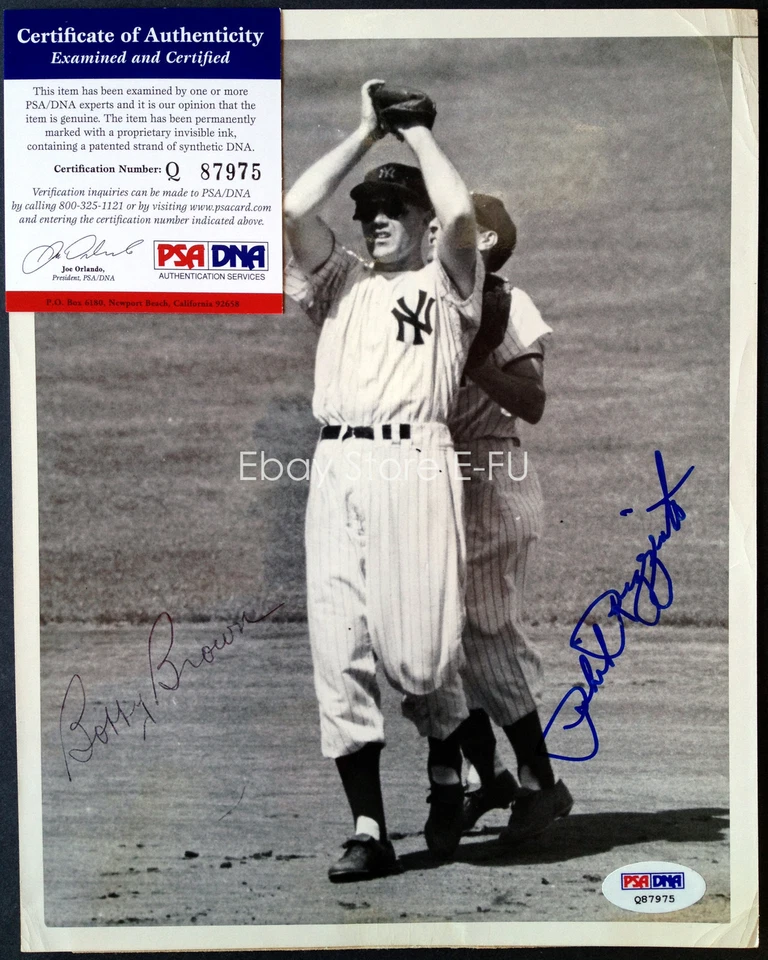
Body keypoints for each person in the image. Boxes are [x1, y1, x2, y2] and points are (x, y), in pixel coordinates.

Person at [283, 80, 485, 881]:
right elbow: (295, 210)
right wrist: (368, 134)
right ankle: (368, 826)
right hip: (337, 468)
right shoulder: (339, 282)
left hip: (416, 465)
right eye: (369, 207)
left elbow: (462, 219)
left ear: (424, 224)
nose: (375, 218)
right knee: (340, 649)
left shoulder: (449, 284)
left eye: (393, 208)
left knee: (422, 656)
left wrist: (422, 138)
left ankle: (453, 759)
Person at [430, 193, 573, 846]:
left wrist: (479, 359)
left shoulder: (506, 303)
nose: (432, 225)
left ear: (483, 240)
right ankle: (490, 775)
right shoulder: (429, 298)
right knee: (425, 641)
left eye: (447, 221)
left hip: (493, 475)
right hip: (427, 479)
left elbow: (533, 401)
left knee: (484, 632)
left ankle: (541, 783)